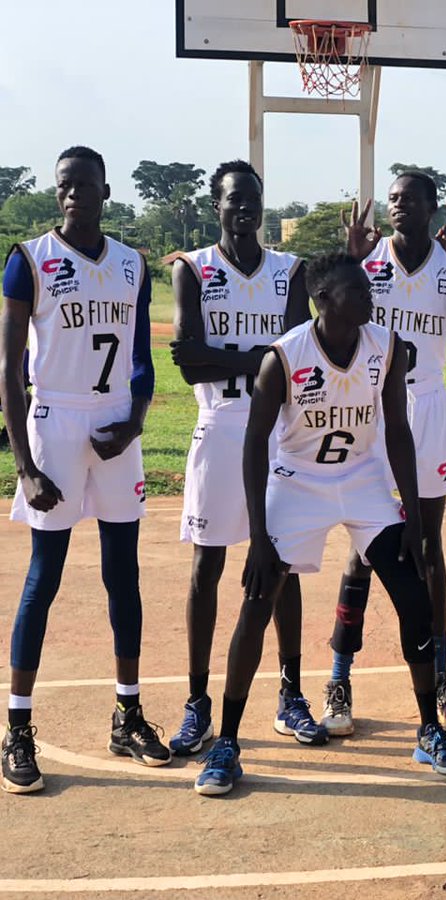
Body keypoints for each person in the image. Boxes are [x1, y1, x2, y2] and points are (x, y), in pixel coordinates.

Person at [194, 253, 446, 796]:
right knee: (257, 601)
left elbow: (397, 431)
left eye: (369, 289)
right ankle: (227, 742)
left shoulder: (385, 347)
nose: (369, 297)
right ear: (323, 299)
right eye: (356, 290)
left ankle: (429, 730)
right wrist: (259, 535)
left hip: (364, 482)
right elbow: (255, 444)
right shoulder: (284, 356)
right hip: (298, 482)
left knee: (413, 596)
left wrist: (410, 512)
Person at [1, 146, 166, 794]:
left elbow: (143, 360)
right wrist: (25, 467)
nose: (73, 195)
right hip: (56, 425)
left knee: (123, 574)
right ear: (57, 192)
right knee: (44, 575)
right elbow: (11, 374)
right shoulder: (28, 260)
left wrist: (136, 420)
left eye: (84, 185)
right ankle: (17, 726)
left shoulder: (131, 264)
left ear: (105, 190)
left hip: (115, 423)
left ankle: (127, 712)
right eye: (64, 186)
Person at [321, 172, 446, 737]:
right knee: (364, 549)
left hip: (428, 407)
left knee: (427, 546)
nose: (398, 207)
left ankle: (439, 675)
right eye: (392, 199)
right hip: (371, 411)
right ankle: (339, 678)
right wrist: (350, 259)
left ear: (430, 209)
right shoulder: (367, 263)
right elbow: (326, 321)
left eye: (408, 200)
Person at [168, 160, 319, 757]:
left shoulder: (290, 271)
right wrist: (260, 358)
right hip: (218, 429)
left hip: (278, 435)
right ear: (217, 207)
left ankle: (290, 692)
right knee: (208, 568)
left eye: (253, 198)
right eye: (233, 200)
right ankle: (197, 702)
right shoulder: (194, 269)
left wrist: (229, 355)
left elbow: (294, 359)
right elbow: (186, 359)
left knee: (282, 568)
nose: (244, 208)